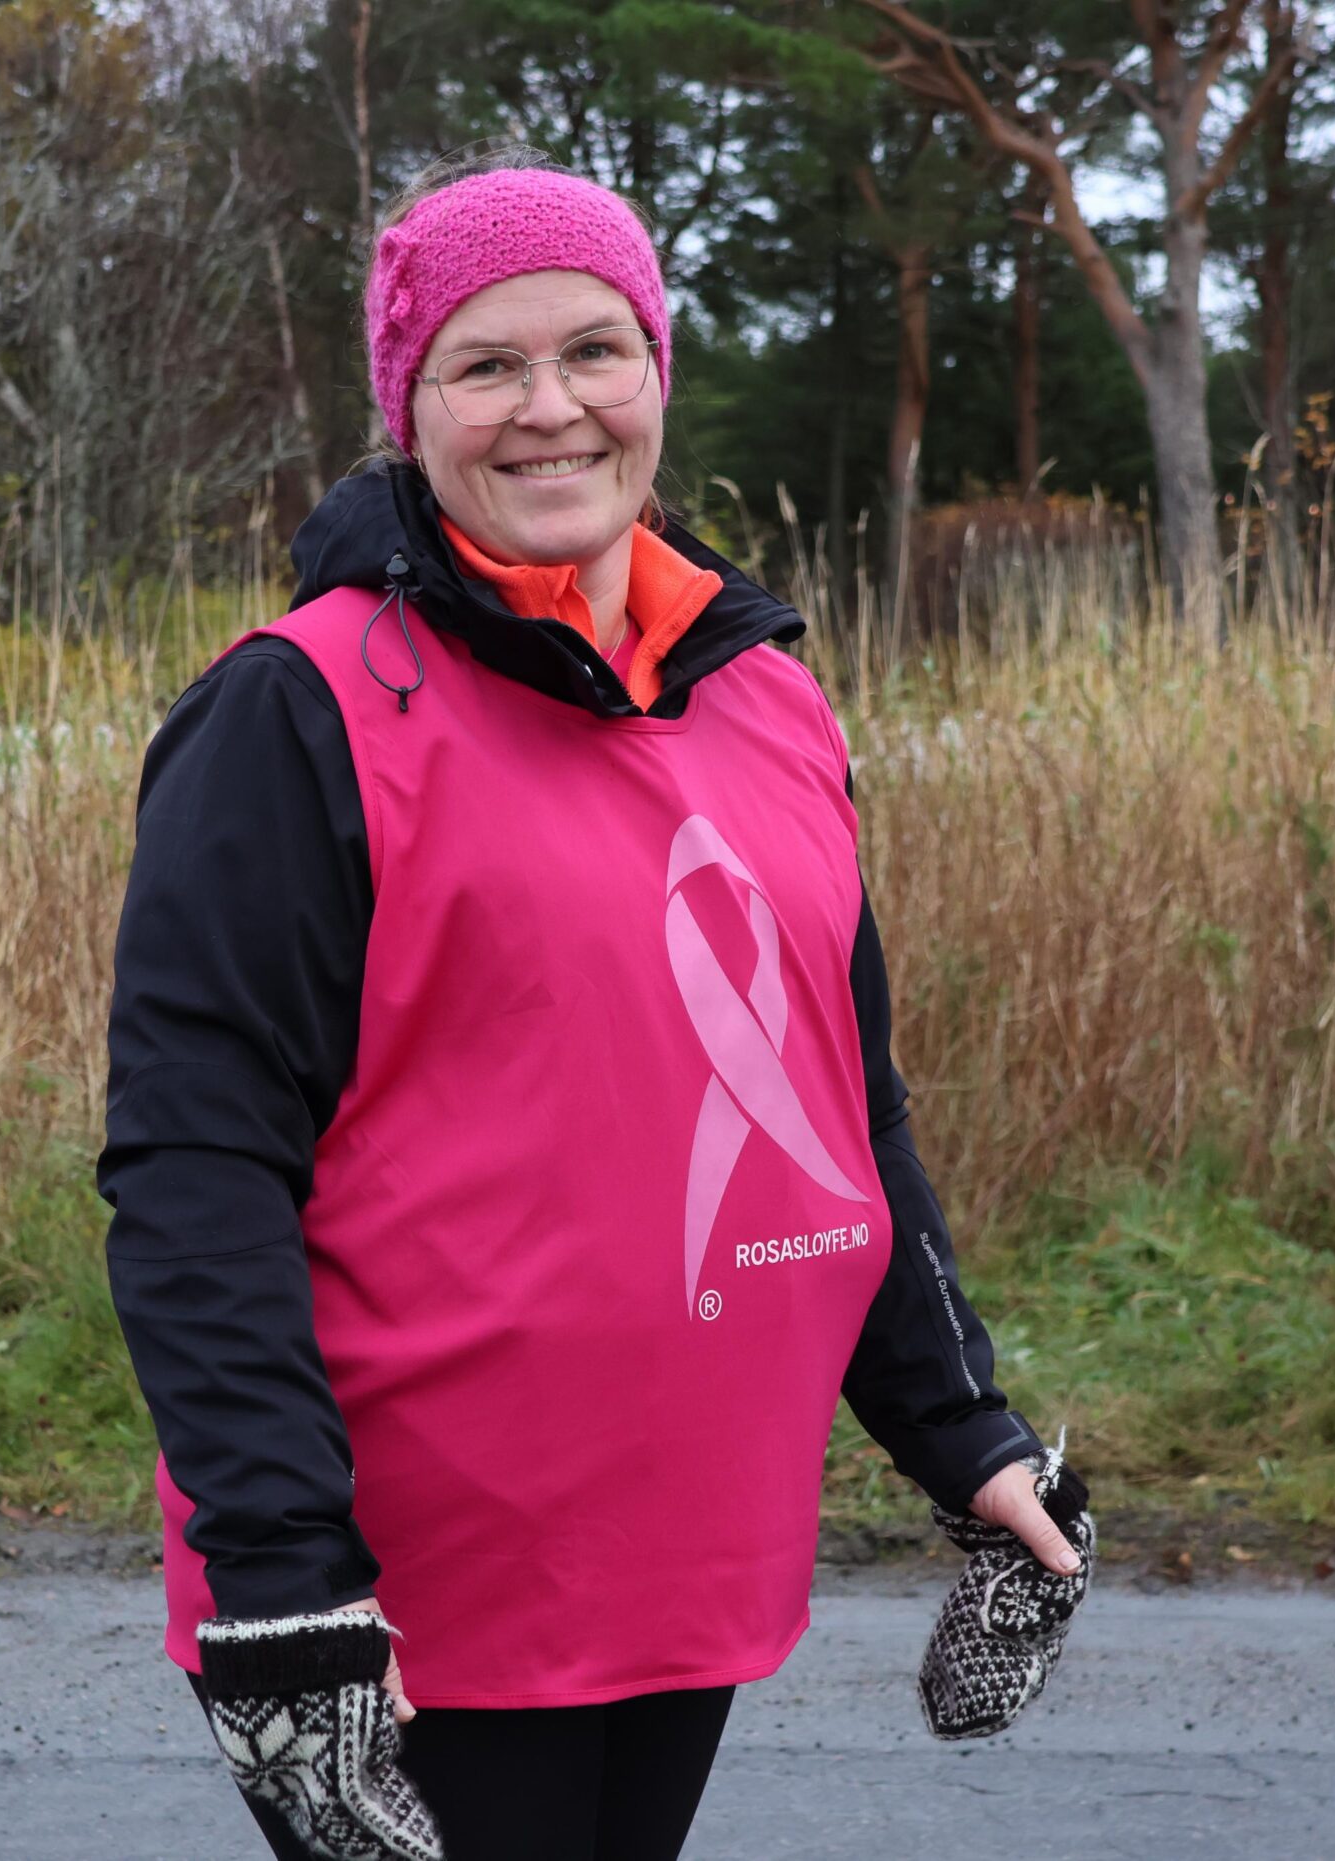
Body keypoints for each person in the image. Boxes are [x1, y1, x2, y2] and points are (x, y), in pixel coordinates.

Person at [97, 147, 1087, 1861]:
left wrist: (962, 1431)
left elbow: (839, 1110)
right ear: (412, 407)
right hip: (419, 1593)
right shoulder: (300, 707)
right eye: (487, 365)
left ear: (657, 377)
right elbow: (196, 1168)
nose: (550, 409)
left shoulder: (763, 690)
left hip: (686, 1548)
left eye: (596, 352)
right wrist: (281, 1581)